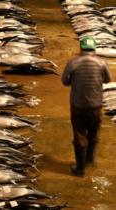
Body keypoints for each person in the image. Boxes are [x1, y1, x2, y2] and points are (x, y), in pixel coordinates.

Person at [61, 36, 111, 177]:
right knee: (93, 133)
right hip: (96, 106)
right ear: (94, 49)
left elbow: (65, 81)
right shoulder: (101, 63)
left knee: (80, 135)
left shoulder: (73, 62)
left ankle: (80, 169)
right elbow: (107, 79)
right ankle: (90, 160)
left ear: (81, 48)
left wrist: (75, 81)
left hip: (78, 105)